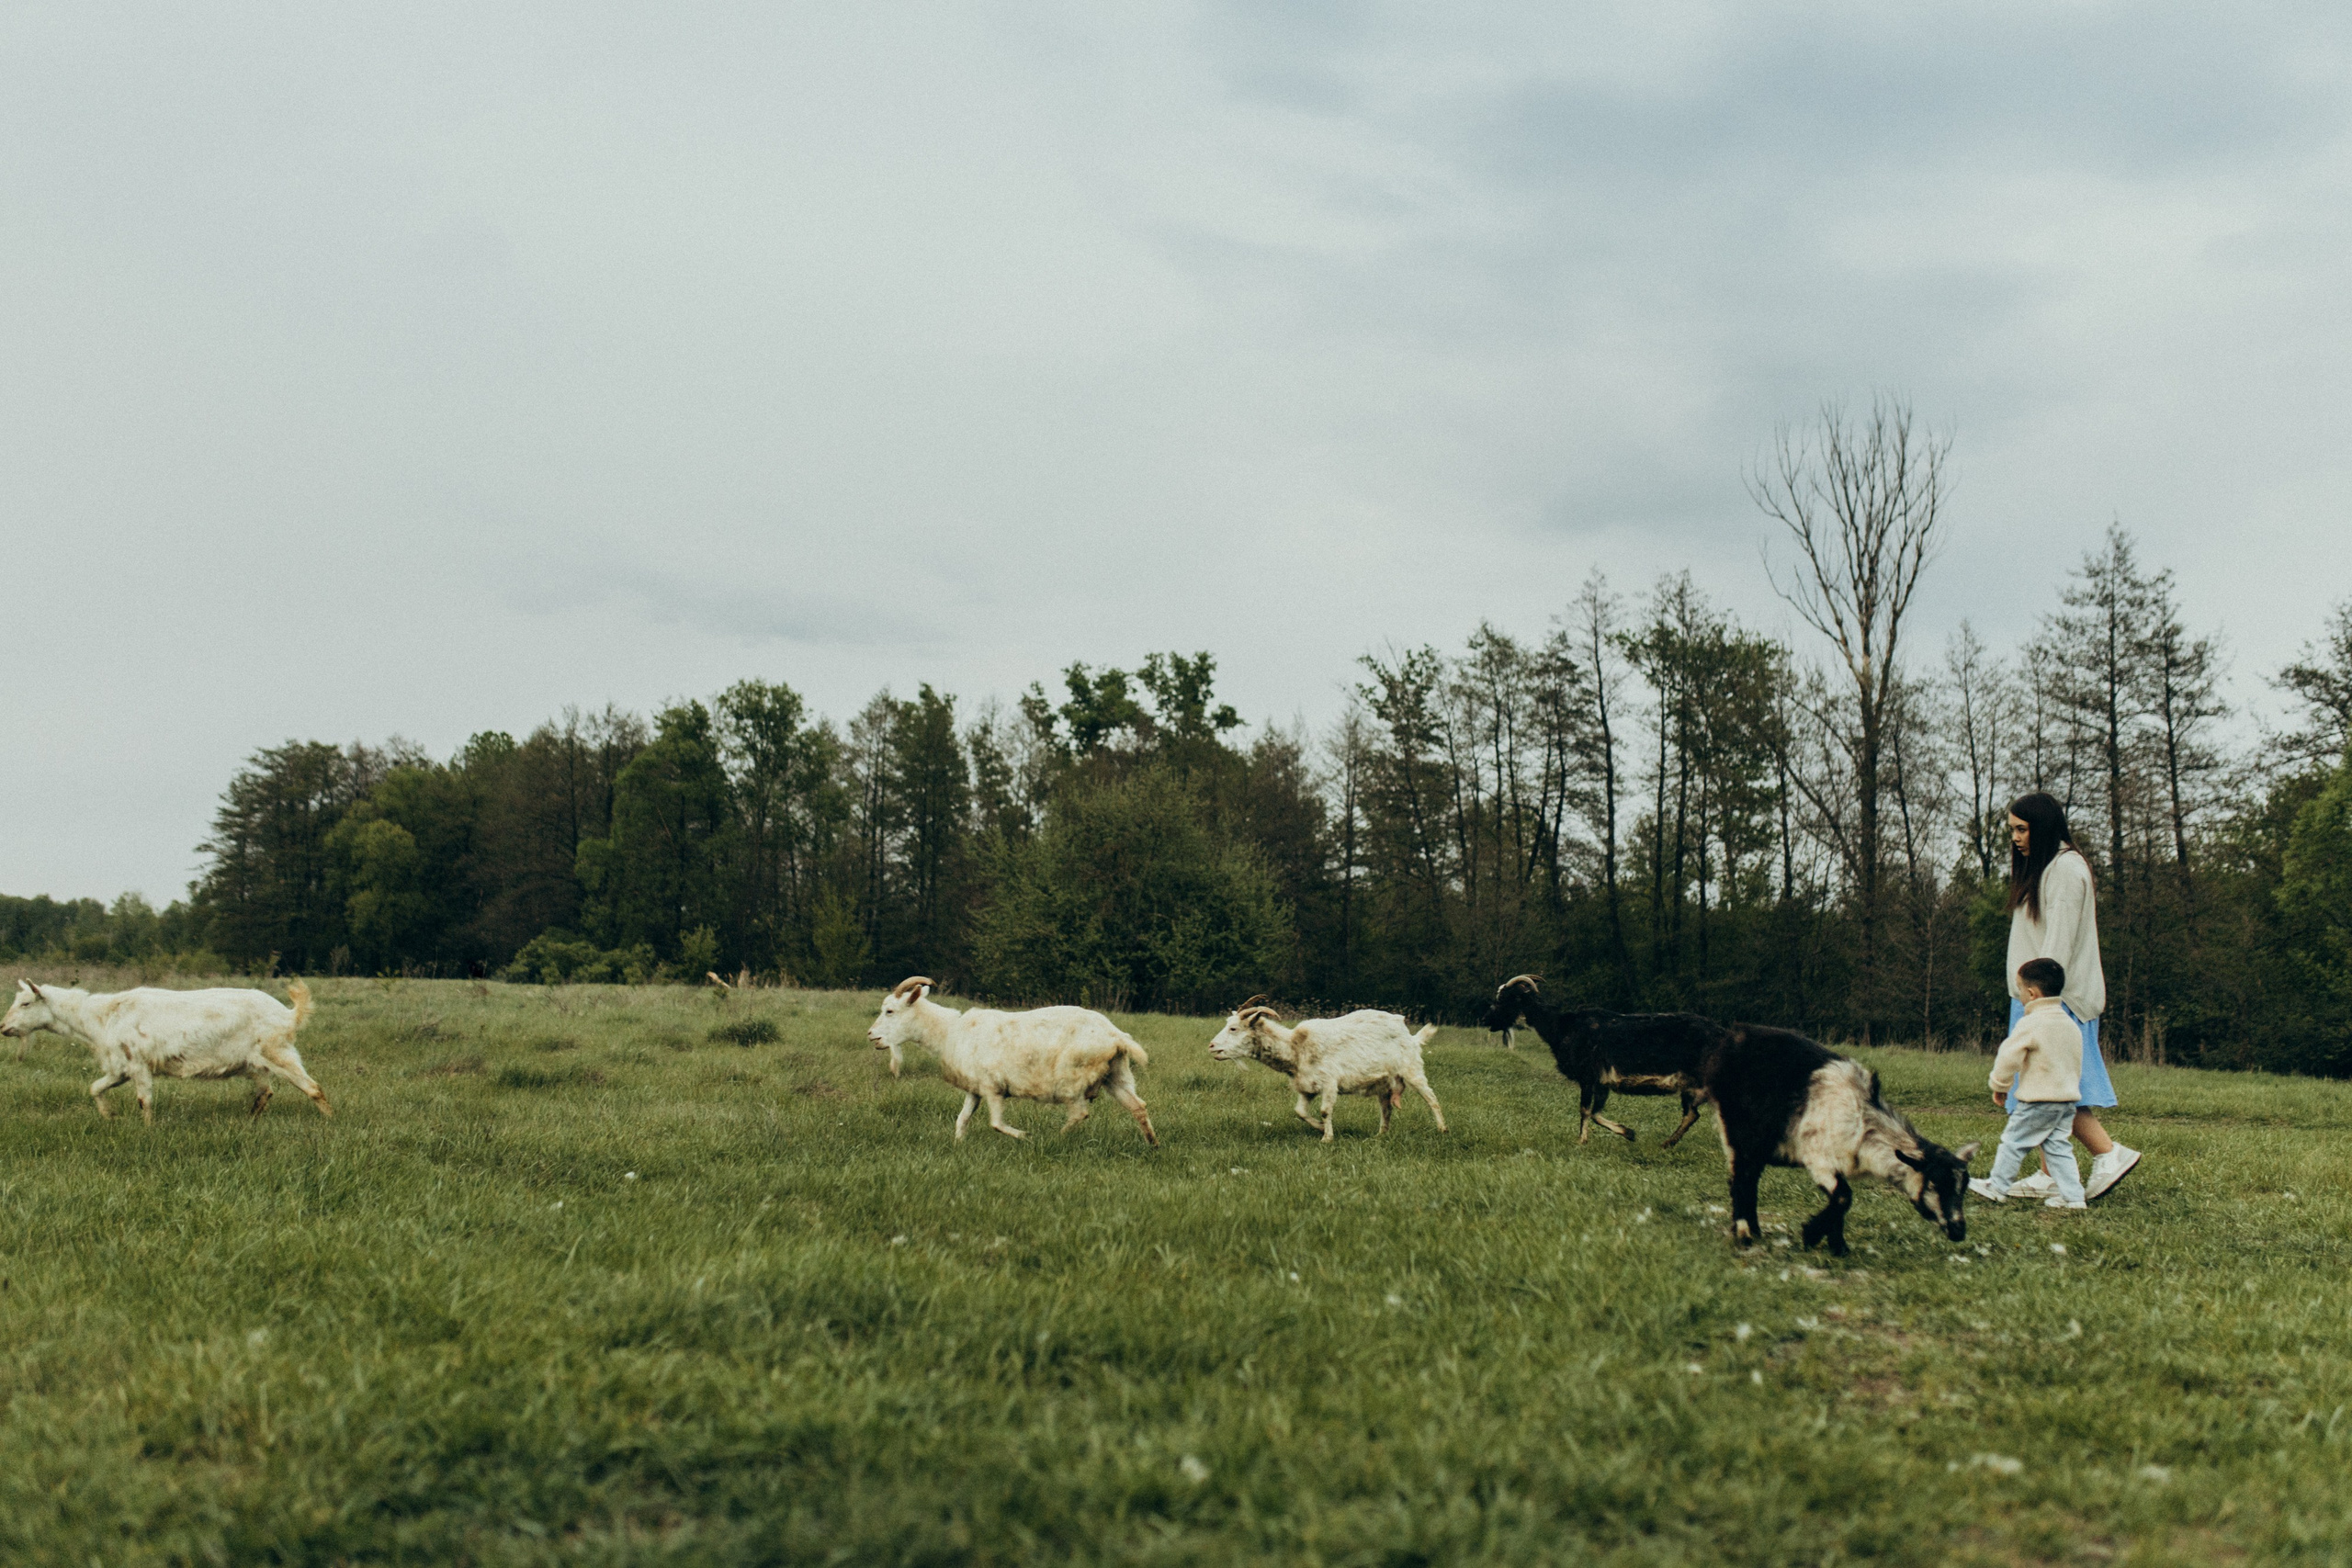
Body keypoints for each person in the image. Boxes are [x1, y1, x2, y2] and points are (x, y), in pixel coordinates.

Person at [2000, 793, 2142, 1201]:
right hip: (2036, 995)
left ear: (2043, 827)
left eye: (2022, 829)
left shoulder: (2064, 871)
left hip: (2054, 999)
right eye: (2012, 830)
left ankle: (2109, 1153)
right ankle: (2049, 1175)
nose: (2016, 838)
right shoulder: (2047, 869)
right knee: (2044, 1087)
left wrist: (2041, 1002)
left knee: (2053, 1087)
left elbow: (2057, 947)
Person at [1970, 957, 2086, 1208]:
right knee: (2058, 1147)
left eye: (2020, 989)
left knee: (2013, 1142)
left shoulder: (2032, 1023)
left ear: (2031, 993)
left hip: (2038, 1100)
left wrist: (2000, 1086)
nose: (2019, 994)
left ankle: (1997, 1186)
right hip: (2066, 1100)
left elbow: (2008, 1057)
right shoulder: (2069, 1025)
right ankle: (2074, 1197)